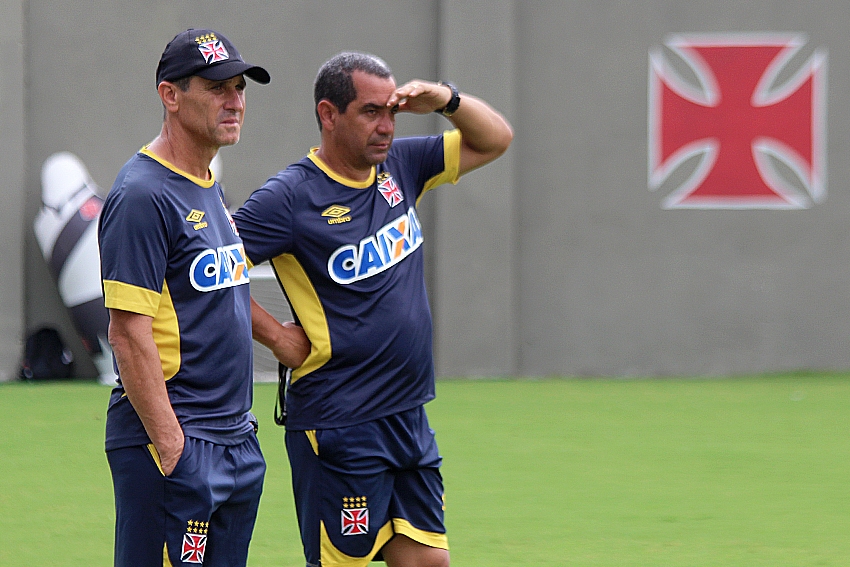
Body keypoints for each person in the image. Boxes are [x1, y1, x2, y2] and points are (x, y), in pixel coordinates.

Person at [233, 52, 513, 567]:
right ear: (328, 114)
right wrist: (275, 336)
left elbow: (494, 139)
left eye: (391, 112)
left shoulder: (400, 166)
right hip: (340, 421)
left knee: (429, 561)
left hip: (407, 415)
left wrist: (445, 100)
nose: (386, 126)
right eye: (370, 112)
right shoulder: (290, 198)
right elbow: (204, 270)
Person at [98, 28, 309, 567]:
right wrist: (174, 450)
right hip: (177, 440)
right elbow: (127, 332)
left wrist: (281, 341)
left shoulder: (206, 183)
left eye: (239, 87)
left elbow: (219, 292)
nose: (234, 101)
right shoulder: (143, 194)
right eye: (216, 87)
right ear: (170, 95)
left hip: (234, 440)